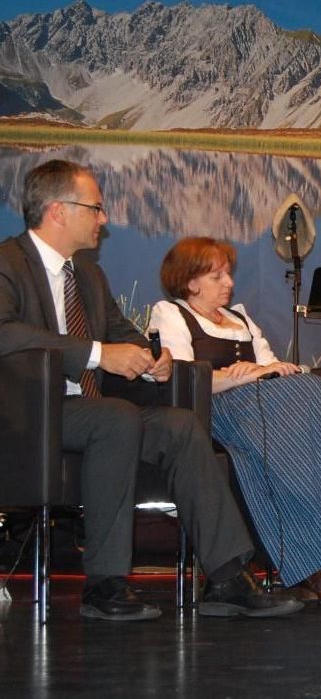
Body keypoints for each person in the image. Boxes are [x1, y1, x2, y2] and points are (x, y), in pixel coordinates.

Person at [0, 159, 302, 620]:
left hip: (91, 411)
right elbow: (6, 333)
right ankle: (104, 583)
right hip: (30, 412)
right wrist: (100, 355)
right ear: (59, 210)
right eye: (96, 208)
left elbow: (125, 333)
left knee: (180, 425)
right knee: (115, 418)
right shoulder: (7, 263)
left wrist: (154, 362)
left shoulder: (88, 276)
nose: (104, 219)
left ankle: (225, 576)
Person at [148, 238, 321, 604]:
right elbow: (180, 379)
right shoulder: (171, 314)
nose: (229, 282)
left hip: (261, 412)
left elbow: (269, 367)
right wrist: (237, 376)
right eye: (218, 276)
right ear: (191, 281)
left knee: (312, 392)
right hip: (215, 413)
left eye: (228, 273)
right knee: (296, 413)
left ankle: (312, 568)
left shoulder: (239, 318)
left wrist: (267, 370)